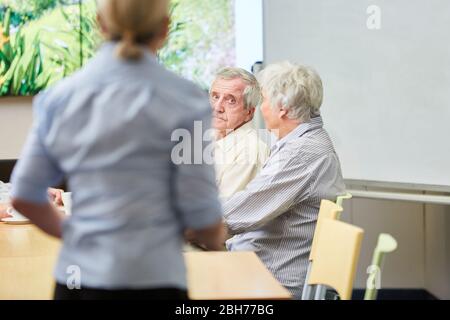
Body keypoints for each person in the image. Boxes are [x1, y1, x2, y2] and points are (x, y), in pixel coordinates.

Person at [10, 0, 225, 300]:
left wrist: (77, 233)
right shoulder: (187, 102)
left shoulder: (61, 98)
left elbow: (23, 194)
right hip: (157, 280)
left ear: (100, 24)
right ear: (164, 28)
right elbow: (204, 219)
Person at [222, 61, 346, 299]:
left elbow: (236, 214)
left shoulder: (302, 153)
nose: (261, 108)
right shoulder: (303, 142)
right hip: (260, 268)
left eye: (264, 100)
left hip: (270, 280)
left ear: (283, 108)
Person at [210, 67, 270, 200]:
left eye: (231, 100)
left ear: (249, 112)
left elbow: (221, 212)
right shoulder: (210, 135)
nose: (217, 107)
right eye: (215, 97)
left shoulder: (251, 150)